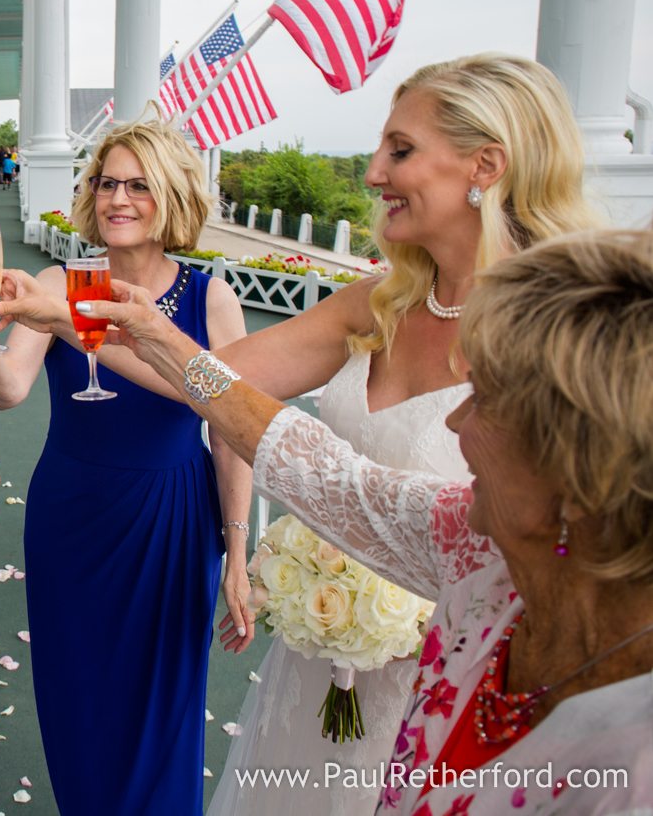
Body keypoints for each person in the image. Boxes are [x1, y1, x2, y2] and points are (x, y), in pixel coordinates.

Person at [66, 227, 653, 815]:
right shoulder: (473, 545)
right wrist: (160, 338)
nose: (456, 424)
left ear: (590, 460)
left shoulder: (629, 761)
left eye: (490, 399)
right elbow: (324, 473)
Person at [198, 53, 603, 816]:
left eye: (401, 150)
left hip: (455, 671)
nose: (375, 172)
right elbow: (217, 380)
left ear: (487, 165)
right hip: (322, 657)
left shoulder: (568, 333)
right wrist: (98, 324)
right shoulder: (378, 301)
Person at [0, 120, 253, 815]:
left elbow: (234, 433)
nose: (117, 198)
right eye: (106, 182)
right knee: (82, 700)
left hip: (174, 521)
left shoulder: (210, 297)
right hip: (74, 515)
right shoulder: (60, 281)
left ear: (171, 196)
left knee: (164, 708)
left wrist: (238, 551)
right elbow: (8, 389)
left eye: (137, 184)